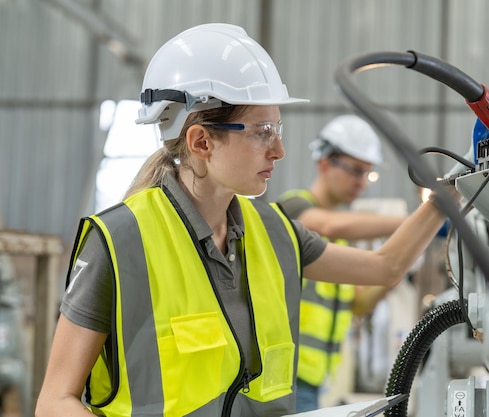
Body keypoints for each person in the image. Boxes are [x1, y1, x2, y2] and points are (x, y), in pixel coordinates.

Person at [35, 23, 451, 417]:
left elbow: (385, 267)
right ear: (201, 141)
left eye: (278, 128)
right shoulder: (121, 241)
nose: (279, 150)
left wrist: (450, 195)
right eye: (262, 131)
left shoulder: (274, 231)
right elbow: (55, 400)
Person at [277, 114, 409, 412]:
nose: (362, 182)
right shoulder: (293, 209)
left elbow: (359, 304)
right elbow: (331, 225)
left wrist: (397, 267)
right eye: (355, 171)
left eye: (368, 173)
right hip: (286, 375)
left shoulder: (338, 239)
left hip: (315, 379)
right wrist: (413, 223)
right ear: (325, 163)